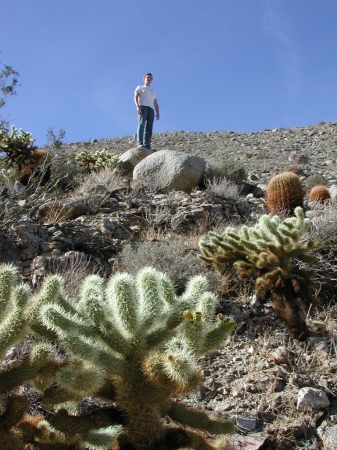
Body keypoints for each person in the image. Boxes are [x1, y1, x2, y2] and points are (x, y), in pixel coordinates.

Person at [134, 73, 160, 150]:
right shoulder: (140, 87)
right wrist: (137, 106)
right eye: (148, 77)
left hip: (151, 109)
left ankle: (147, 145)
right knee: (141, 124)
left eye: (150, 78)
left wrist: (158, 112)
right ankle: (140, 142)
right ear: (144, 78)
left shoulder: (153, 92)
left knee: (149, 128)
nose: (149, 79)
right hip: (143, 107)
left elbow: (155, 103)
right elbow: (135, 96)